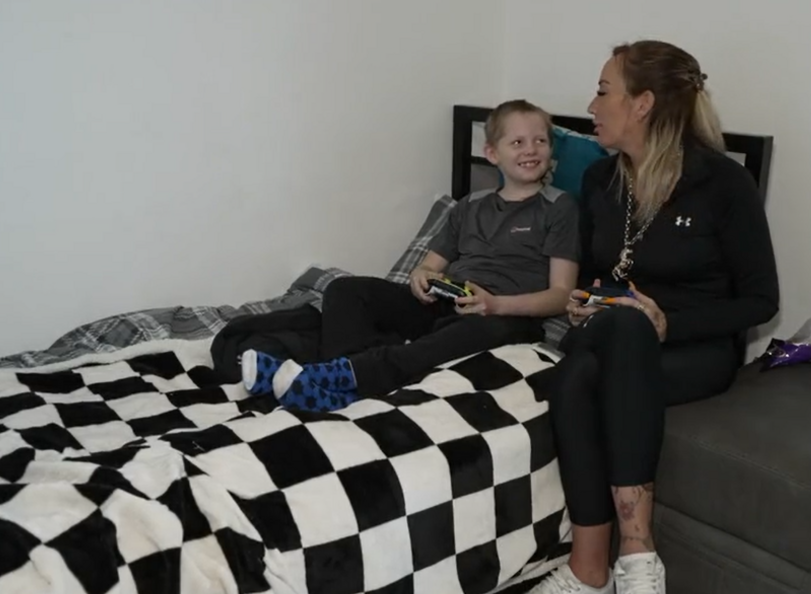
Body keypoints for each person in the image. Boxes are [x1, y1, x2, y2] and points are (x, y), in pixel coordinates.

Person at [490, 41, 779, 594]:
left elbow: (760, 301)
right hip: (614, 334)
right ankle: (600, 572)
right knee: (594, 352)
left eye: (603, 90)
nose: (591, 105)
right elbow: (600, 272)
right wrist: (583, 299)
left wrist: (667, 320)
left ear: (643, 103)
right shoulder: (600, 177)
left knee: (586, 367)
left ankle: (622, 561)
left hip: (692, 346)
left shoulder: (722, 182)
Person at [240, 99, 581, 412]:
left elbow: (561, 295)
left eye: (540, 141)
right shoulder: (470, 205)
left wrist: (496, 305)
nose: (531, 150)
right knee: (345, 290)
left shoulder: (559, 207)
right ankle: (345, 385)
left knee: (468, 334)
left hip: (504, 316)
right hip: (450, 302)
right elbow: (431, 264)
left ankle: (329, 378)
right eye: (517, 142)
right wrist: (422, 277)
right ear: (492, 153)